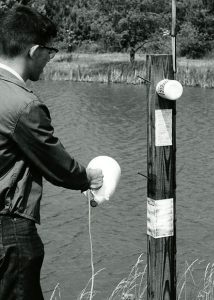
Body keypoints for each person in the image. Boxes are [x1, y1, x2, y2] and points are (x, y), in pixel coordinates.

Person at [0, 5, 103, 300]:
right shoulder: (23, 105)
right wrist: (89, 178)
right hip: (10, 231)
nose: (50, 59)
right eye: (50, 51)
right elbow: (57, 164)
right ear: (33, 51)